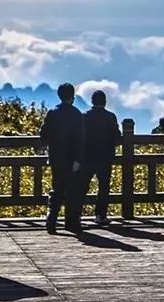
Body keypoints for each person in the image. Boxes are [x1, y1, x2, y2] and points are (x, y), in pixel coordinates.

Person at [39, 83, 84, 234]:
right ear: (72, 96)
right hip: (72, 160)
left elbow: (43, 135)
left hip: (56, 158)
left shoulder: (52, 113)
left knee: (57, 189)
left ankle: (51, 221)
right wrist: (78, 159)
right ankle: (71, 223)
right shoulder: (77, 114)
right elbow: (80, 139)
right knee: (73, 191)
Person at [74, 89, 121, 227]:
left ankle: (76, 215)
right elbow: (117, 138)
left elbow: (79, 137)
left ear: (92, 102)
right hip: (105, 158)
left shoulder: (85, 116)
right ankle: (100, 215)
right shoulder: (111, 117)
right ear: (105, 102)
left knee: (82, 187)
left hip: (87, 157)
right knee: (104, 187)